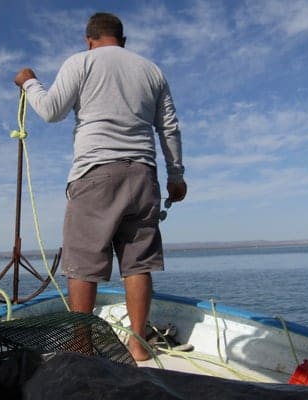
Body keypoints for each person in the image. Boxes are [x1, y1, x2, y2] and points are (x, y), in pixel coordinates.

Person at [14, 12, 187, 361]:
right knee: (138, 263)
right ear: (123, 40)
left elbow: (50, 110)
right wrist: (176, 175)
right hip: (143, 174)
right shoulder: (152, 70)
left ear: (89, 39)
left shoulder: (81, 62)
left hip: (95, 173)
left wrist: (29, 82)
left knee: (82, 263)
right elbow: (169, 127)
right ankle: (137, 345)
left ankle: (82, 349)